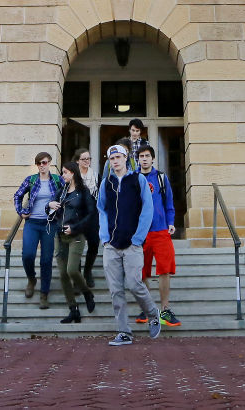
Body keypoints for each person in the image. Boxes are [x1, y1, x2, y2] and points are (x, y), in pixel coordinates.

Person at [98, 143, 161, 345]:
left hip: (132, 243)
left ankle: (153, 314)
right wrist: (104, 237)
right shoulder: (106, 183)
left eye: (118, 157)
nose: (115, 161)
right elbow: (102, 210)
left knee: (134, 284)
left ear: (126, 158)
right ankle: (124, 332)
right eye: (112, 158)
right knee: (116, 290)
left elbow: (147, 209)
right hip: (111, 245)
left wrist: (138, 238)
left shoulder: (138, 179)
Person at [134, 144, 180, 327]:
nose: (144, 159)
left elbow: (169, 203)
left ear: (153, 158)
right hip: (141, 233)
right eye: (141, 156)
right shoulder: (133, 179)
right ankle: (147, 308)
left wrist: (171, 222)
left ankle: (165, 310)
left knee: (165, 270)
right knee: (142, 272)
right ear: (138, 159)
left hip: (161, 230)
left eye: (147, 156)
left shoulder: (161, 178)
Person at [12, 151, 63, 308]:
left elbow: (68, 194)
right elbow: (17, 195)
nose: (42, 165)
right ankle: (32, 279)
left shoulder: (57, 179)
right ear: (37, 165)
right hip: (32, 223)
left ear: (50, 163)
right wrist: (21, 211)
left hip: (49, 224)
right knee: (28, 254)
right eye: (40, 163)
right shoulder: (31, 180)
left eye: (45, 162)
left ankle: (44, 293)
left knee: (46, 260)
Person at [51, 160, 97, 323]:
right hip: (60, 235)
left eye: (64, 172)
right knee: (63, 274)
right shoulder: (61, 191)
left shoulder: (83, 192)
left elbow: (91, 215)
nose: (62, 175)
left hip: (76, 236)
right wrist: (49, 205)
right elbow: (51, 211)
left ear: (73, 173)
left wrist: (76, 228)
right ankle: (73, 309)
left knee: (72, 270)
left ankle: (87, 293)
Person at [77, 149, 100, 288]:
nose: (87, 161)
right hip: (77, 215)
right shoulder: (73, 177)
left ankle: (87, 271)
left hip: (92, 214)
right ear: (77, 161)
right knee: (77, 244)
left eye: (88, 159)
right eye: (83, 159)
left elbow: (101, 195)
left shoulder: (96, 176)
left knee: (94, 244)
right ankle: (77, 275)